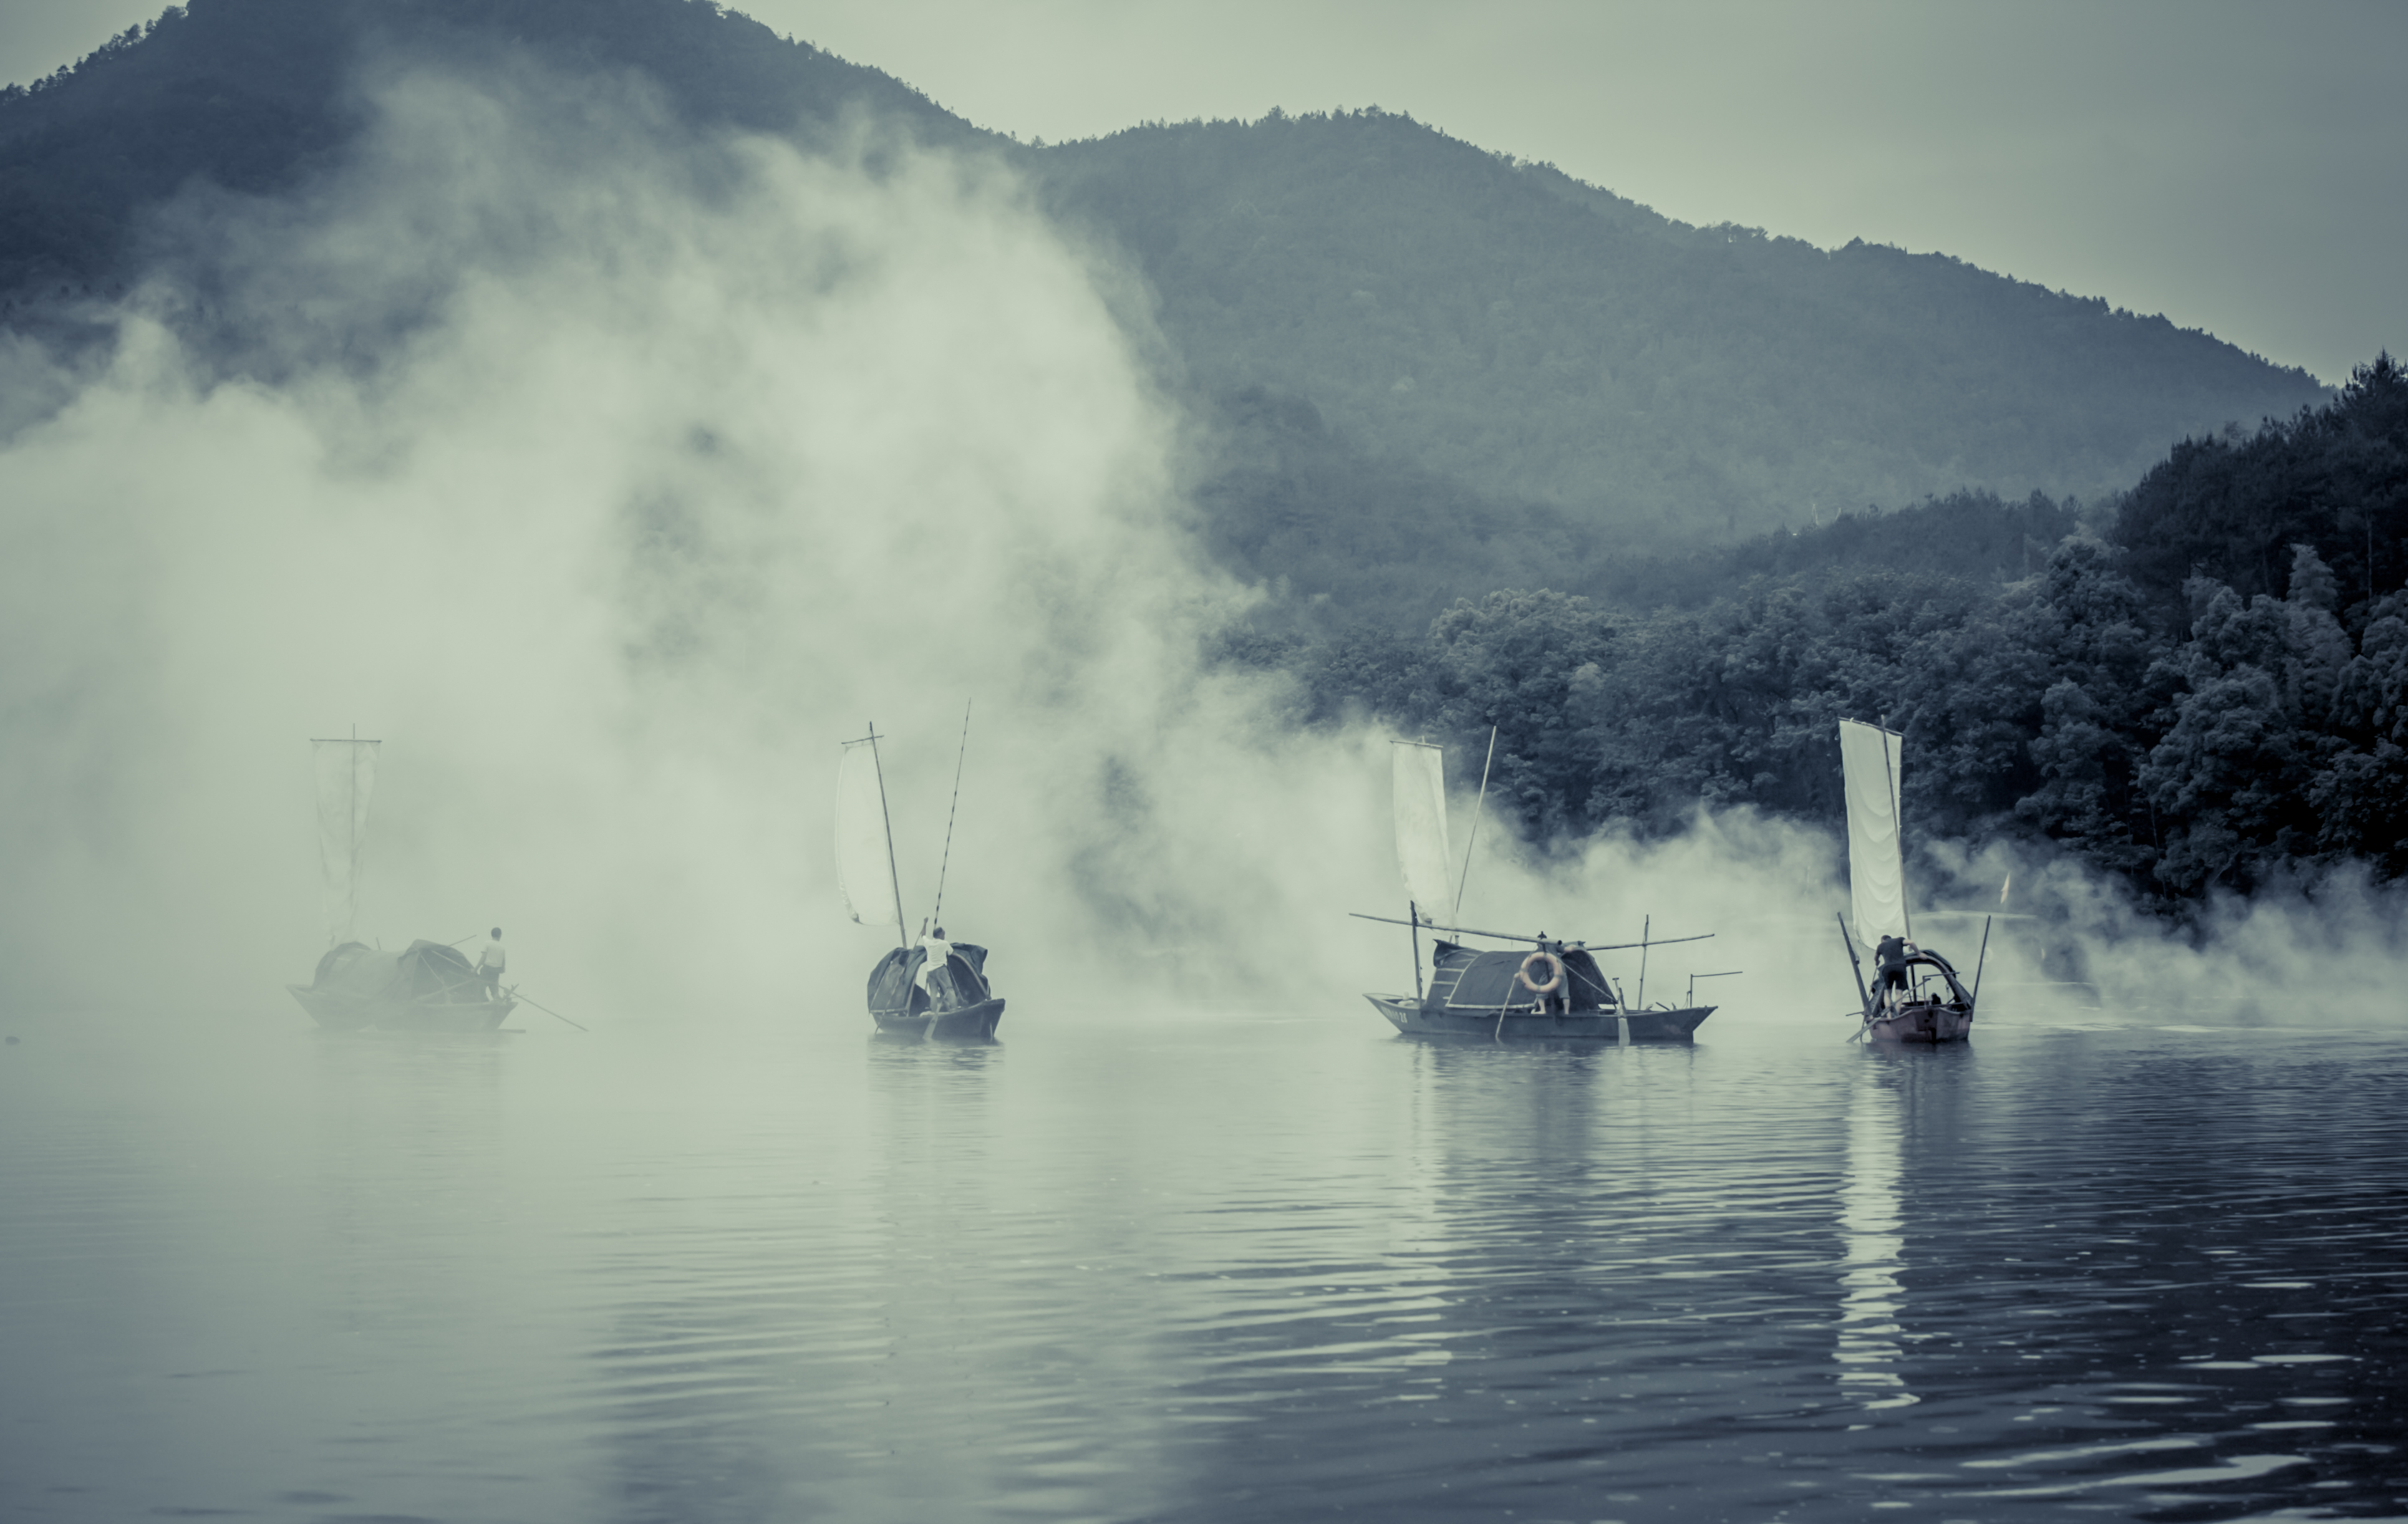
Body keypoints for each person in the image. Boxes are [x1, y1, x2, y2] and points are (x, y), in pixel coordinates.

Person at [914, 924, 954, 1010]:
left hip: (931, 972)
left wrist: (925, 923)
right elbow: (950, 952)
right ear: (940, 935)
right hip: (941, 970)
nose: (944, 936)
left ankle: (933, 1010)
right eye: (944, 934)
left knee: (933, 993)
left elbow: (923, 935)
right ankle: (954, 1008)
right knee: (949, 989)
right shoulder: (945, 943)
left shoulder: (928, 943)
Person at [1874, 933, 1911, 1009]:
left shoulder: (1880, 946)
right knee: (1899, 993)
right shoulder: (1899, 940)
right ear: (1890, 938)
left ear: (1882, 940)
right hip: (1901, 967)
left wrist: (1877, 962)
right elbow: (1911, 942)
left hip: (1888, 969)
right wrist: (1919, 953)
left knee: (1887, 994)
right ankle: (1897, 1013)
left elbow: (1876, 958)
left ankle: (1889, 1014)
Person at [476, 927, 507, 1000]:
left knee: (481, 990)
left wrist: (475, 969)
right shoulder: (502, 947)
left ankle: (484, 1001)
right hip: (496, 972)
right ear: (500, 935)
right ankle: (498, 1000)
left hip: (486, 970)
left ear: (492, 934)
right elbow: (503, 962)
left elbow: (483, 958)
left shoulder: (487, 943)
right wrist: (503, 970)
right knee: (495, 992)